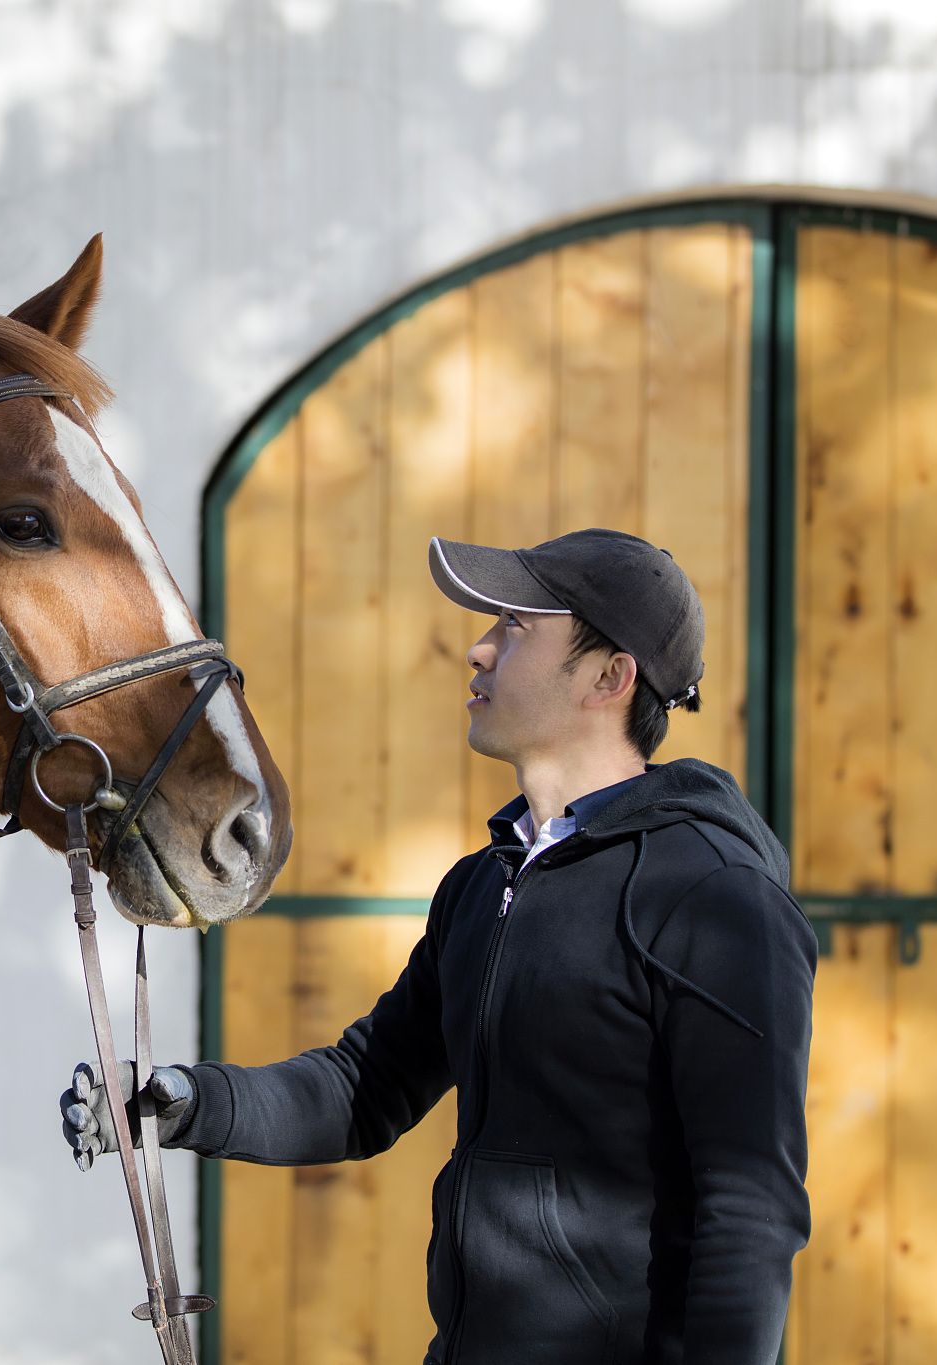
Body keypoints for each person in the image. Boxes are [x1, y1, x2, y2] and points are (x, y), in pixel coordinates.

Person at [62, 528, 815, 1365]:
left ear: (612, 675)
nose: (478, 648)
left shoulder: (715, 896)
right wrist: (185, 1100)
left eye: (516, 627)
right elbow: (366, 1086)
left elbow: (751, 1208)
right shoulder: (482, 884)